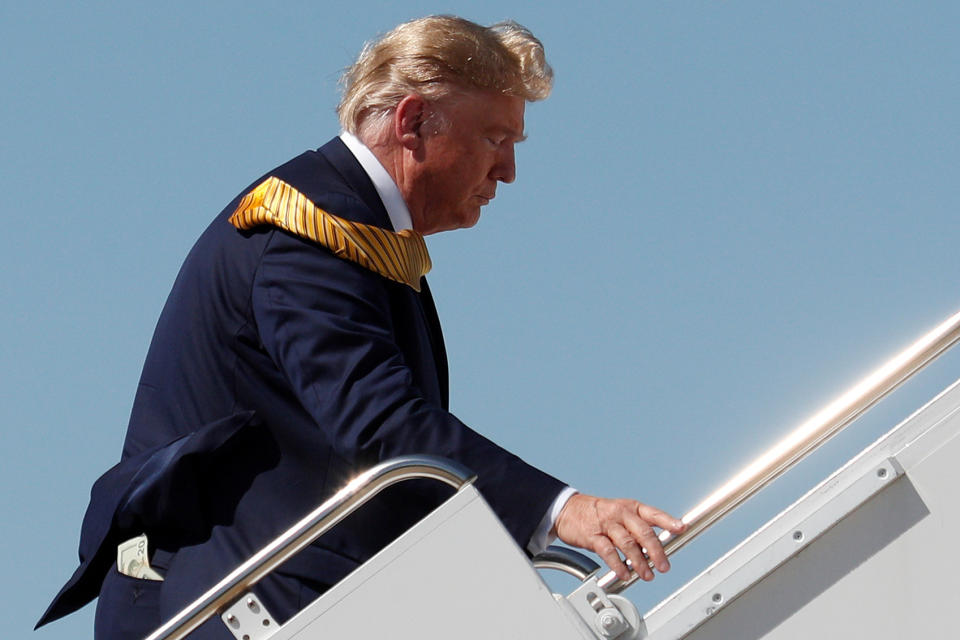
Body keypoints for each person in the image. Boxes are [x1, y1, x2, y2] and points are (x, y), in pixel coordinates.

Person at [37, 15, 684, 639]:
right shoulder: (306, 231)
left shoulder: (359, 234)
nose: (508, 170)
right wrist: (560, 510)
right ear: (412, 123)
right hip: (231, 604)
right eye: (495, 138)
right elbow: (379, 424)